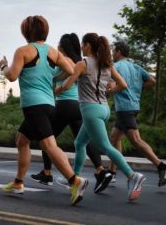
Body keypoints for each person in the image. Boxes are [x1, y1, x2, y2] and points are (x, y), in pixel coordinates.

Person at [0, 15, 88, 205]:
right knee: (22, 140)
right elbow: (71, 70)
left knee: (48, 145)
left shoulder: (23, 51)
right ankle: (19, 182)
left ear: (26, 31)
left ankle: (75, 181)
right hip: (49, 104)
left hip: (34, 106)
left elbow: (12, 76)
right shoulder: (53, 52)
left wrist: (4, 66)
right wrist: (52, 75)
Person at [55, 33, 146, 201]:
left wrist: (54, 91)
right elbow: (123, 85)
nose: (81, 47)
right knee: (80, 142)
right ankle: (73, 177)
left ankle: (133, 176)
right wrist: (108, 91)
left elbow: (68, 84)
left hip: (90, 110)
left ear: (89, 45)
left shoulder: (83, 64)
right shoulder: (107, 64)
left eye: (83, 44)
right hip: (104, 109)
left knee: (105, 146)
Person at [30, 33, 112, 193]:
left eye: (60, 45)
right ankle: (100, 170)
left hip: (64, 105)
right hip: (79, 107)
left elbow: (49, 76)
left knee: (47, 138)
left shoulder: (64, 61)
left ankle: (47, 174)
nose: (58, 47)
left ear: (63, 47)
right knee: (84, 141)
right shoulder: (81, 62)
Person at [108, 41, 166, 186]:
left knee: (136, 140)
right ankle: (112, 172)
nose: (112, 54)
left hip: (124, 108)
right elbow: (152, 80)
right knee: (114, 138)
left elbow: (112, 86)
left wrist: (108, 91)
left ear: (118, 52)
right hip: (133, 106)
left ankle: (161, 166)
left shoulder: (115, 67)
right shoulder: (135, 67)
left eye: (113, 51)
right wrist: (137, 87)